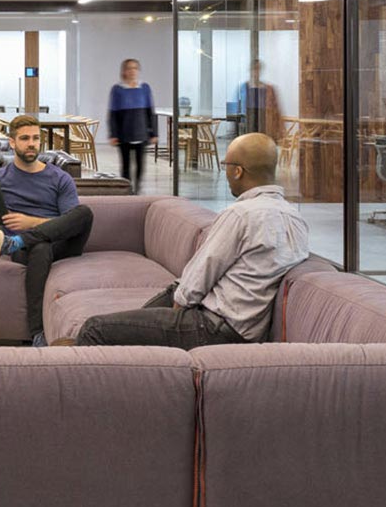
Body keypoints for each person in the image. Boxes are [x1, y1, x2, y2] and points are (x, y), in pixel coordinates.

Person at [74, 133, 308, 348]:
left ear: (238, 171)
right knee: (144, 316)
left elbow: (205, 269)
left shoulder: (241, 215)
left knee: (94, 329)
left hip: (214, 326)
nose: (225, 173)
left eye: (226, 165)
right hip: (241, 327)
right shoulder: (295, 219)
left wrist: (178, 311)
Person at [0, 115, 93, 346]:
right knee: (40, 248)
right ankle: (37, 335)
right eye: (24, 138)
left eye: (35, 138)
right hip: (31, 252)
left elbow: (69, 222)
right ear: (12, 142)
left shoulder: (59, 178)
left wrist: (30, 223)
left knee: (85, 213)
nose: (31, 143)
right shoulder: (0, 177)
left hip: (61, 245)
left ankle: (16, 241)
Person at [107, 58, 156, 192]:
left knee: (140, 165)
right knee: (126, 165)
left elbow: (150, 111)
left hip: (141, 133)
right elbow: (113, 113)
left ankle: (138, 187)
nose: (132, 71)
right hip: (124, 133)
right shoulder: (117, 89)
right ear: (124, 71)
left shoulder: (144, 88)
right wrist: (113, 134)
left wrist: (153, 133)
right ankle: (127, 190)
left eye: (135, 68)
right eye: (129, 68)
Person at [232, 59, 284, 143]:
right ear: (250, 70)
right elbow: (237, 110)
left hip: (264, 127)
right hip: (248, 127)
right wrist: (235, 133)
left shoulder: (269, 89)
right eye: (254, 69)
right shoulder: (243, 88)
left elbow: (276, 111)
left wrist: (280, 131)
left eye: (258, 69)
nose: (256, 72)